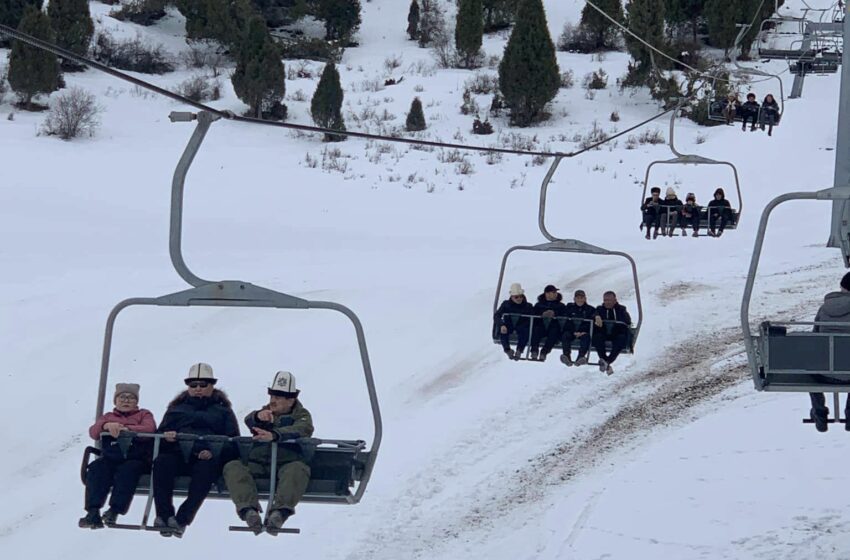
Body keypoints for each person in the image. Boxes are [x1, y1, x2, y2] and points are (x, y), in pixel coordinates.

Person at [152, 363, 239, 537]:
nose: (198, 389)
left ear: (212, 386)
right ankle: (164, 514)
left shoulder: (223, 411)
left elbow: (232, 441)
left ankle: (182, 519)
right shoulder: (176, 409)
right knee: (162, 462)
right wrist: (166, 437)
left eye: (203, 385)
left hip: (206, 457)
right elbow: (158, 438)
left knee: (206, 470)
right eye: (193, 385)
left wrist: (214, 452)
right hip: (178, 454)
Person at [222, 371, 314, 533]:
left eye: (278, 397)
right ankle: (248, 510)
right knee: (234, 467)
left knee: (297, 470)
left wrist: (275, 435)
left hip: (284, 463)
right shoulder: (266, 413)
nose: (273, 401)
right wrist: (258, 417)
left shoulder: (302, 416)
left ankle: (280, 512)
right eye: (272, 396)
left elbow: (302, 429)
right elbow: (249, 420)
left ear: (291, 400)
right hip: (259, 463)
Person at [79, 383, 156, 529]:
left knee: (128, 472)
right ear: (116, 400)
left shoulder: (144, 415)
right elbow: (94, 432)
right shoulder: (108, 417)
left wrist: (126, 429)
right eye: (122, 397)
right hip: (112, 456)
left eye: (130, 398)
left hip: (135, 456)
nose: (126, 401)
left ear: (136, 401)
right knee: (97, 468)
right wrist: (106, 426)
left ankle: (114, 510)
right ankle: (93, 511)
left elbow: (150, 428)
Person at [809, 272, 850, 432]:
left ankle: (819, 412)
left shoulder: (825, 307)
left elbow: (815, 337)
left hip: (823, 373)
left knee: (808, 366)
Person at [592, 291, 632, 375]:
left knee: (621, 339)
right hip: (603, 333)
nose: (607, 302)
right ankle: (606, 363)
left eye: (609, 300)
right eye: (605, 300)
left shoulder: (621, 309)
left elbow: (627, 321)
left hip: (616, 334)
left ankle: (607, 361)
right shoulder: (600, 309)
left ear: (615, 300)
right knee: (597, 337)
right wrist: (596, 316)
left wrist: (616, 322)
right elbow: (593, 313)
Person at [494, 283, 534, 360]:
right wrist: (501, 324)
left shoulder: (528, 306)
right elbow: (497, 315)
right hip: (509, 325)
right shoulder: (506, 305)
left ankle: (519, 350)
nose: (519, 299)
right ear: (512, 297)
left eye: (521, 296)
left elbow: (533, 318)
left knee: (525, 332)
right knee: (503, 331)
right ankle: (507, 350)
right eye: (516, 297)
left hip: (522, 325)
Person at [530, 284, 566, 362]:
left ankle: (544, 352)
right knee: (536, 330)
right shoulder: (539, 305)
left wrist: (554, 313)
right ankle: (534, 350)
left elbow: (564, 316)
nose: (555, 294)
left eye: (555, 292)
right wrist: (542, 314)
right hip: (540, 326)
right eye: (553, 292)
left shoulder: (561, 306)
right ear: (547, 294)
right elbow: (533, 314)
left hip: (554, 327)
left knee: (554, 333)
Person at [561, 290, 597, 366]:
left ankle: (581, 357)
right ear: (574, 299)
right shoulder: (569, 308)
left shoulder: (590, 309)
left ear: (585, 299)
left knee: (586, 337)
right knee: (565, 335)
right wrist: (573, 331)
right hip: (571, 331)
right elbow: (566, 321)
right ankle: (566, 356)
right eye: (578, 298)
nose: (580, 300)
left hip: (583, 332)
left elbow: (591, 323)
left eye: (582, 298)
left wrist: (582, 331)